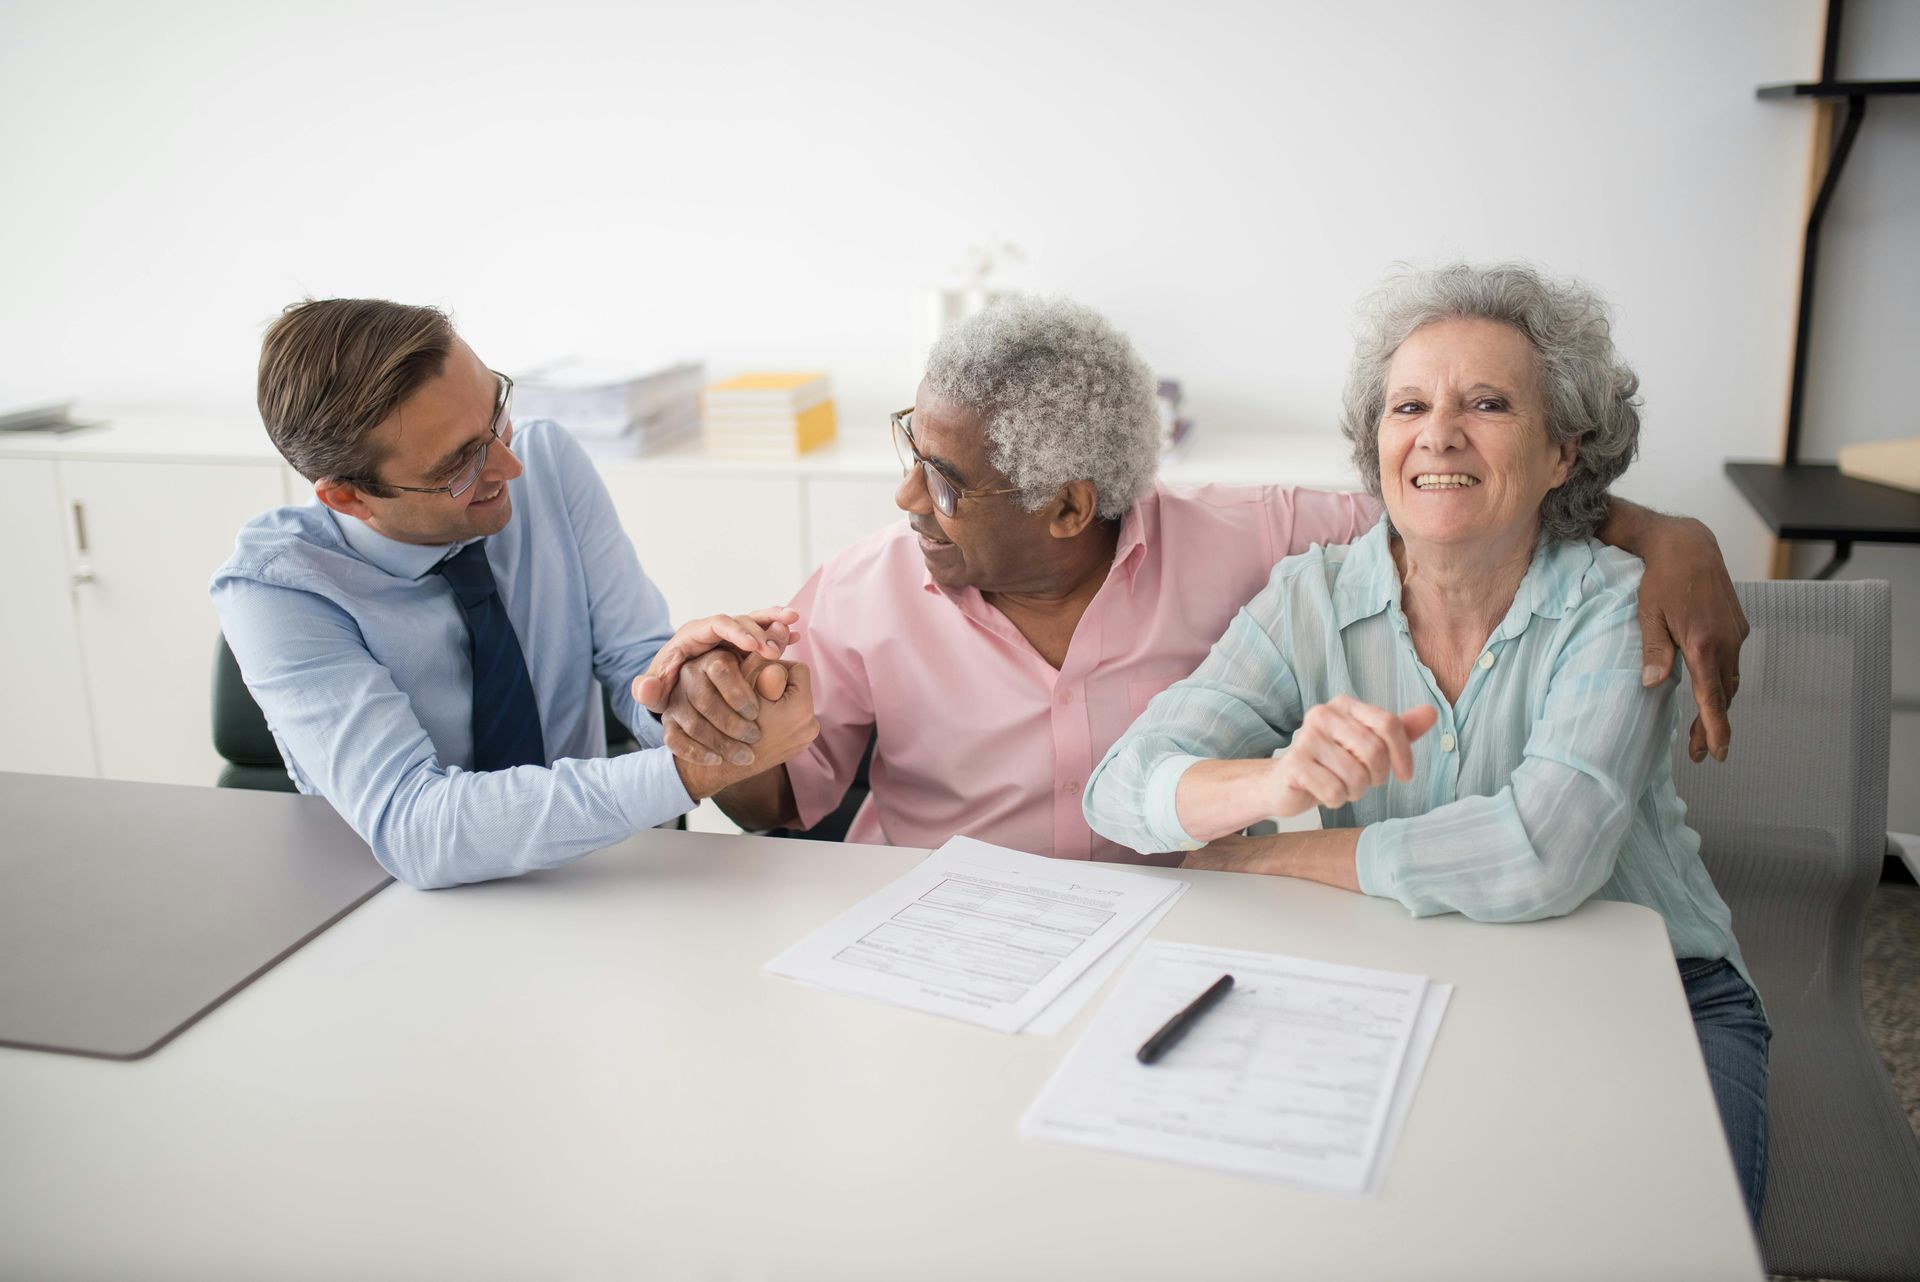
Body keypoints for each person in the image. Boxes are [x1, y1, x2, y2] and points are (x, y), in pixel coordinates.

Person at [1080, 263, 1769, 1221]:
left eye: (1487, 404)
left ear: (1564, 451)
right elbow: (1119, 789)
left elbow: (1543, 855)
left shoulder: (1615, 605)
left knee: (1657, 1246)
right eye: (1409, 405)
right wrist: (1268, 783)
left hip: (1654, 994)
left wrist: (1282, 857)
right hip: (1399, 978)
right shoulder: (1307, 598)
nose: (1438, 432)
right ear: (1377, 443)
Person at [643, 294, 1749, 865]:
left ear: (1072, 506)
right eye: (910, 456)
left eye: (942, 481)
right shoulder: (865, 585)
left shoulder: (1250, 540)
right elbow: (784, 805)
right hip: (939, 933)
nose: (904, 502)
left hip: (1175, 942)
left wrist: (1662, 529)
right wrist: (736, 742)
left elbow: (1455, 493)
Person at [211, 299, 817, 890]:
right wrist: (687, 771)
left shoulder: (547, 458)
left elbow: (636, 665)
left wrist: (696, 688)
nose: (509, 465)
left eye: (496, 412)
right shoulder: (276, 590)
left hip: (592, 876)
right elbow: (414, 825)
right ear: (349, 497)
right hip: (396, 913)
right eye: (459, 464)